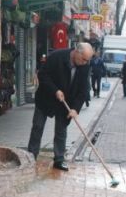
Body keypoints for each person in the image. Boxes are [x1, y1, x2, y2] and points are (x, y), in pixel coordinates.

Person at [28, 42, 94, 171]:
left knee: (61, 130)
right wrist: (55, 90)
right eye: (84, 59)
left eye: (88, 60)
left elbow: (83, 90)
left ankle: (59, 159)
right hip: (46, 98)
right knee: (37, 127)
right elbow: (42, 75)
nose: (86, 62)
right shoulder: (57, 56)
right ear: (77, 52)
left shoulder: (85, 66)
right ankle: (31, 156)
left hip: (66, 102)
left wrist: (75, 109)